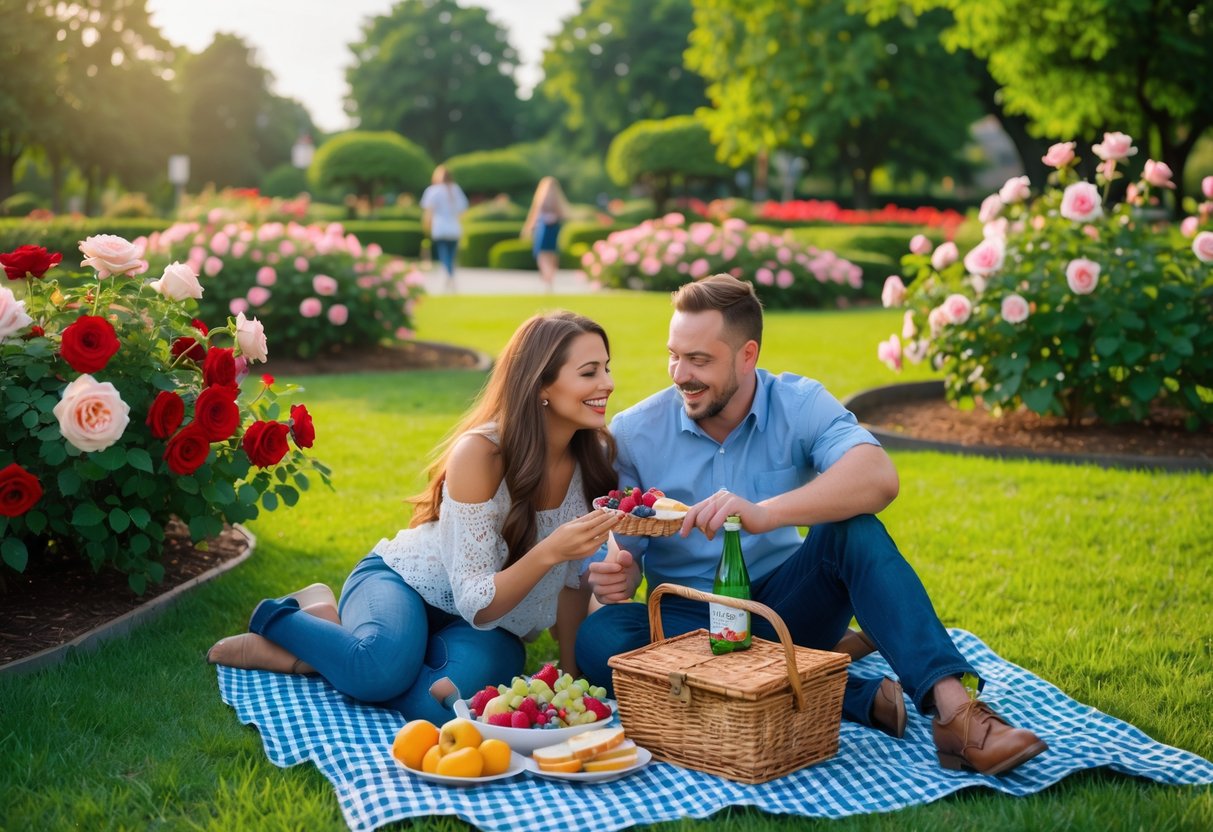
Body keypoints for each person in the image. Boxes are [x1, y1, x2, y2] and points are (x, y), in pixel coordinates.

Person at [575, 274, 1048, 776]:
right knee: (600, 638)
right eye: (674, 354)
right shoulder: (634, 432)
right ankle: (839, 682)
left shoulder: (797, 403)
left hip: (789, 603)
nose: (679, 373)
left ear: (747, 355)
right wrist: (617, 575)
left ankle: (957, 717)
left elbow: (878, 477)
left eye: (699, 360)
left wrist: (767, 512)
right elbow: (621, 547)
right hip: (691, 624)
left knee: (853, 531)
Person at [207, 311, 622, 724]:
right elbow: (476, 598)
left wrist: (572, 677)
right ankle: (285, 621)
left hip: (492, 627)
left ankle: (340, 645)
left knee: (442, 710)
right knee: (377, 672)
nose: (607, 383)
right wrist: (550, 551)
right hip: (409, 583)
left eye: (606, 368)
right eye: (589, 373)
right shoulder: (482, 453)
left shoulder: (593, 462)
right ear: (541, 385)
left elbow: (570, 585)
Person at [419, 165, 469, 292]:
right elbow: (463, 209)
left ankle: (449, 274)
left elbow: (428, 212)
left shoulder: (433, 190)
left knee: (444, 254)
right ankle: (450, 274)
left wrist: (426, 226)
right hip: (453, 227)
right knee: (451, 255)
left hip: (440, 227)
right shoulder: (455, 189)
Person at [522, 176, 568, 293]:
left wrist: (528, 228)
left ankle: (547, 276)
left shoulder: (542, 198)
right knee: (550, 253)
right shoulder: (556, 200)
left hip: (545, 228)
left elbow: (535, 213)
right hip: (552, 227)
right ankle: (549, 276)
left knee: (543, 253)